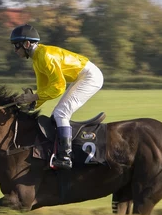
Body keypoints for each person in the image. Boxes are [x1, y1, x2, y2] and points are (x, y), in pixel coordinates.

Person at [10, 24, 104, 170]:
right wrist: (30, 103)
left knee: (61, 113)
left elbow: (58, 87)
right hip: (82, 77)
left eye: (16, 46)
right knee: (57, 115)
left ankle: (65, 157)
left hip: (90, 77)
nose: (15, 50)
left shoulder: (45, 56)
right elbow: (44, 90)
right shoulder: (37, 60)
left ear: (27, 44)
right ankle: (60, 152)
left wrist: (34, 97)